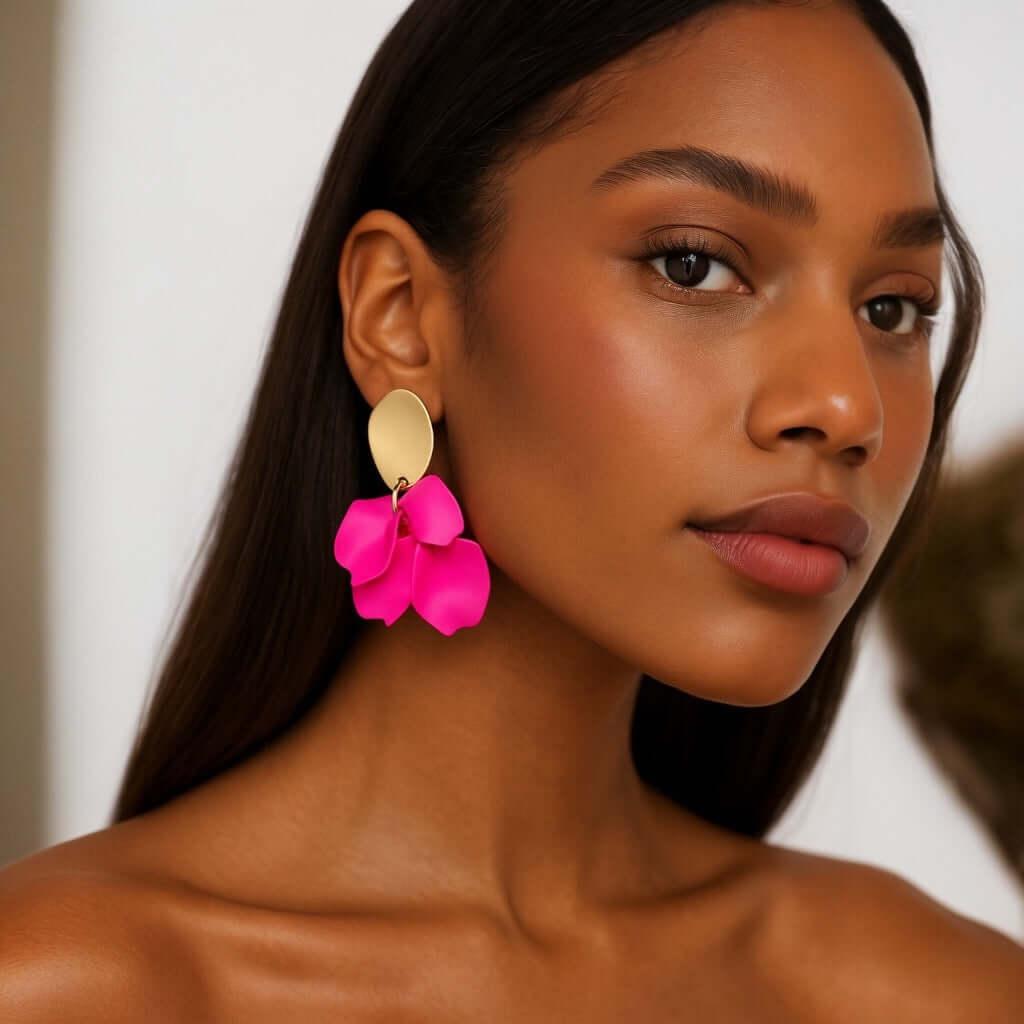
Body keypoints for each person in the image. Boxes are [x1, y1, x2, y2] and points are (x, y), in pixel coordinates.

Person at [2, 0, 1022, 1018]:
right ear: (401, 319)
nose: (848, 407)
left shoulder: (937, 996)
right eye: (694, 263)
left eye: (893, 307)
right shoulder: (65, 990)